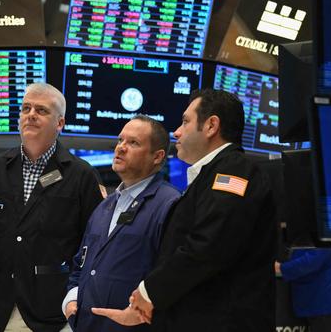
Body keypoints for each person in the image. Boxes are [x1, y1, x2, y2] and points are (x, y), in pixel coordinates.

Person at [93, 89, 276, 331]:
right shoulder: (211, 176)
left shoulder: (233, 172)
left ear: (211, 126)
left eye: (185, 121)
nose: (177, 131)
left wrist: (149, 293)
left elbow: (209, 247)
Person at [0, 83, 104, 332]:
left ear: (60, 123)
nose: (31, 114)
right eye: (26, 108)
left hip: (53, 315)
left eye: (41, 110)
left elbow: (93, 249)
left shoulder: (81, 175)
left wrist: (79, 302)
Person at [62, 116, 181, 332]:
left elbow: (173, 277)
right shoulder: (104, 206)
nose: (121, 148)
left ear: (158, 156)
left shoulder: (170, 204)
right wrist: (71, 300)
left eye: (133, 143)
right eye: (120, 140)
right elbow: (81, 262)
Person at [275, 248, 331, 332]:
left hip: (325, 305)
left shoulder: (322, 239)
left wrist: (281, 268)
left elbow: (311, 262)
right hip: (310, 304)